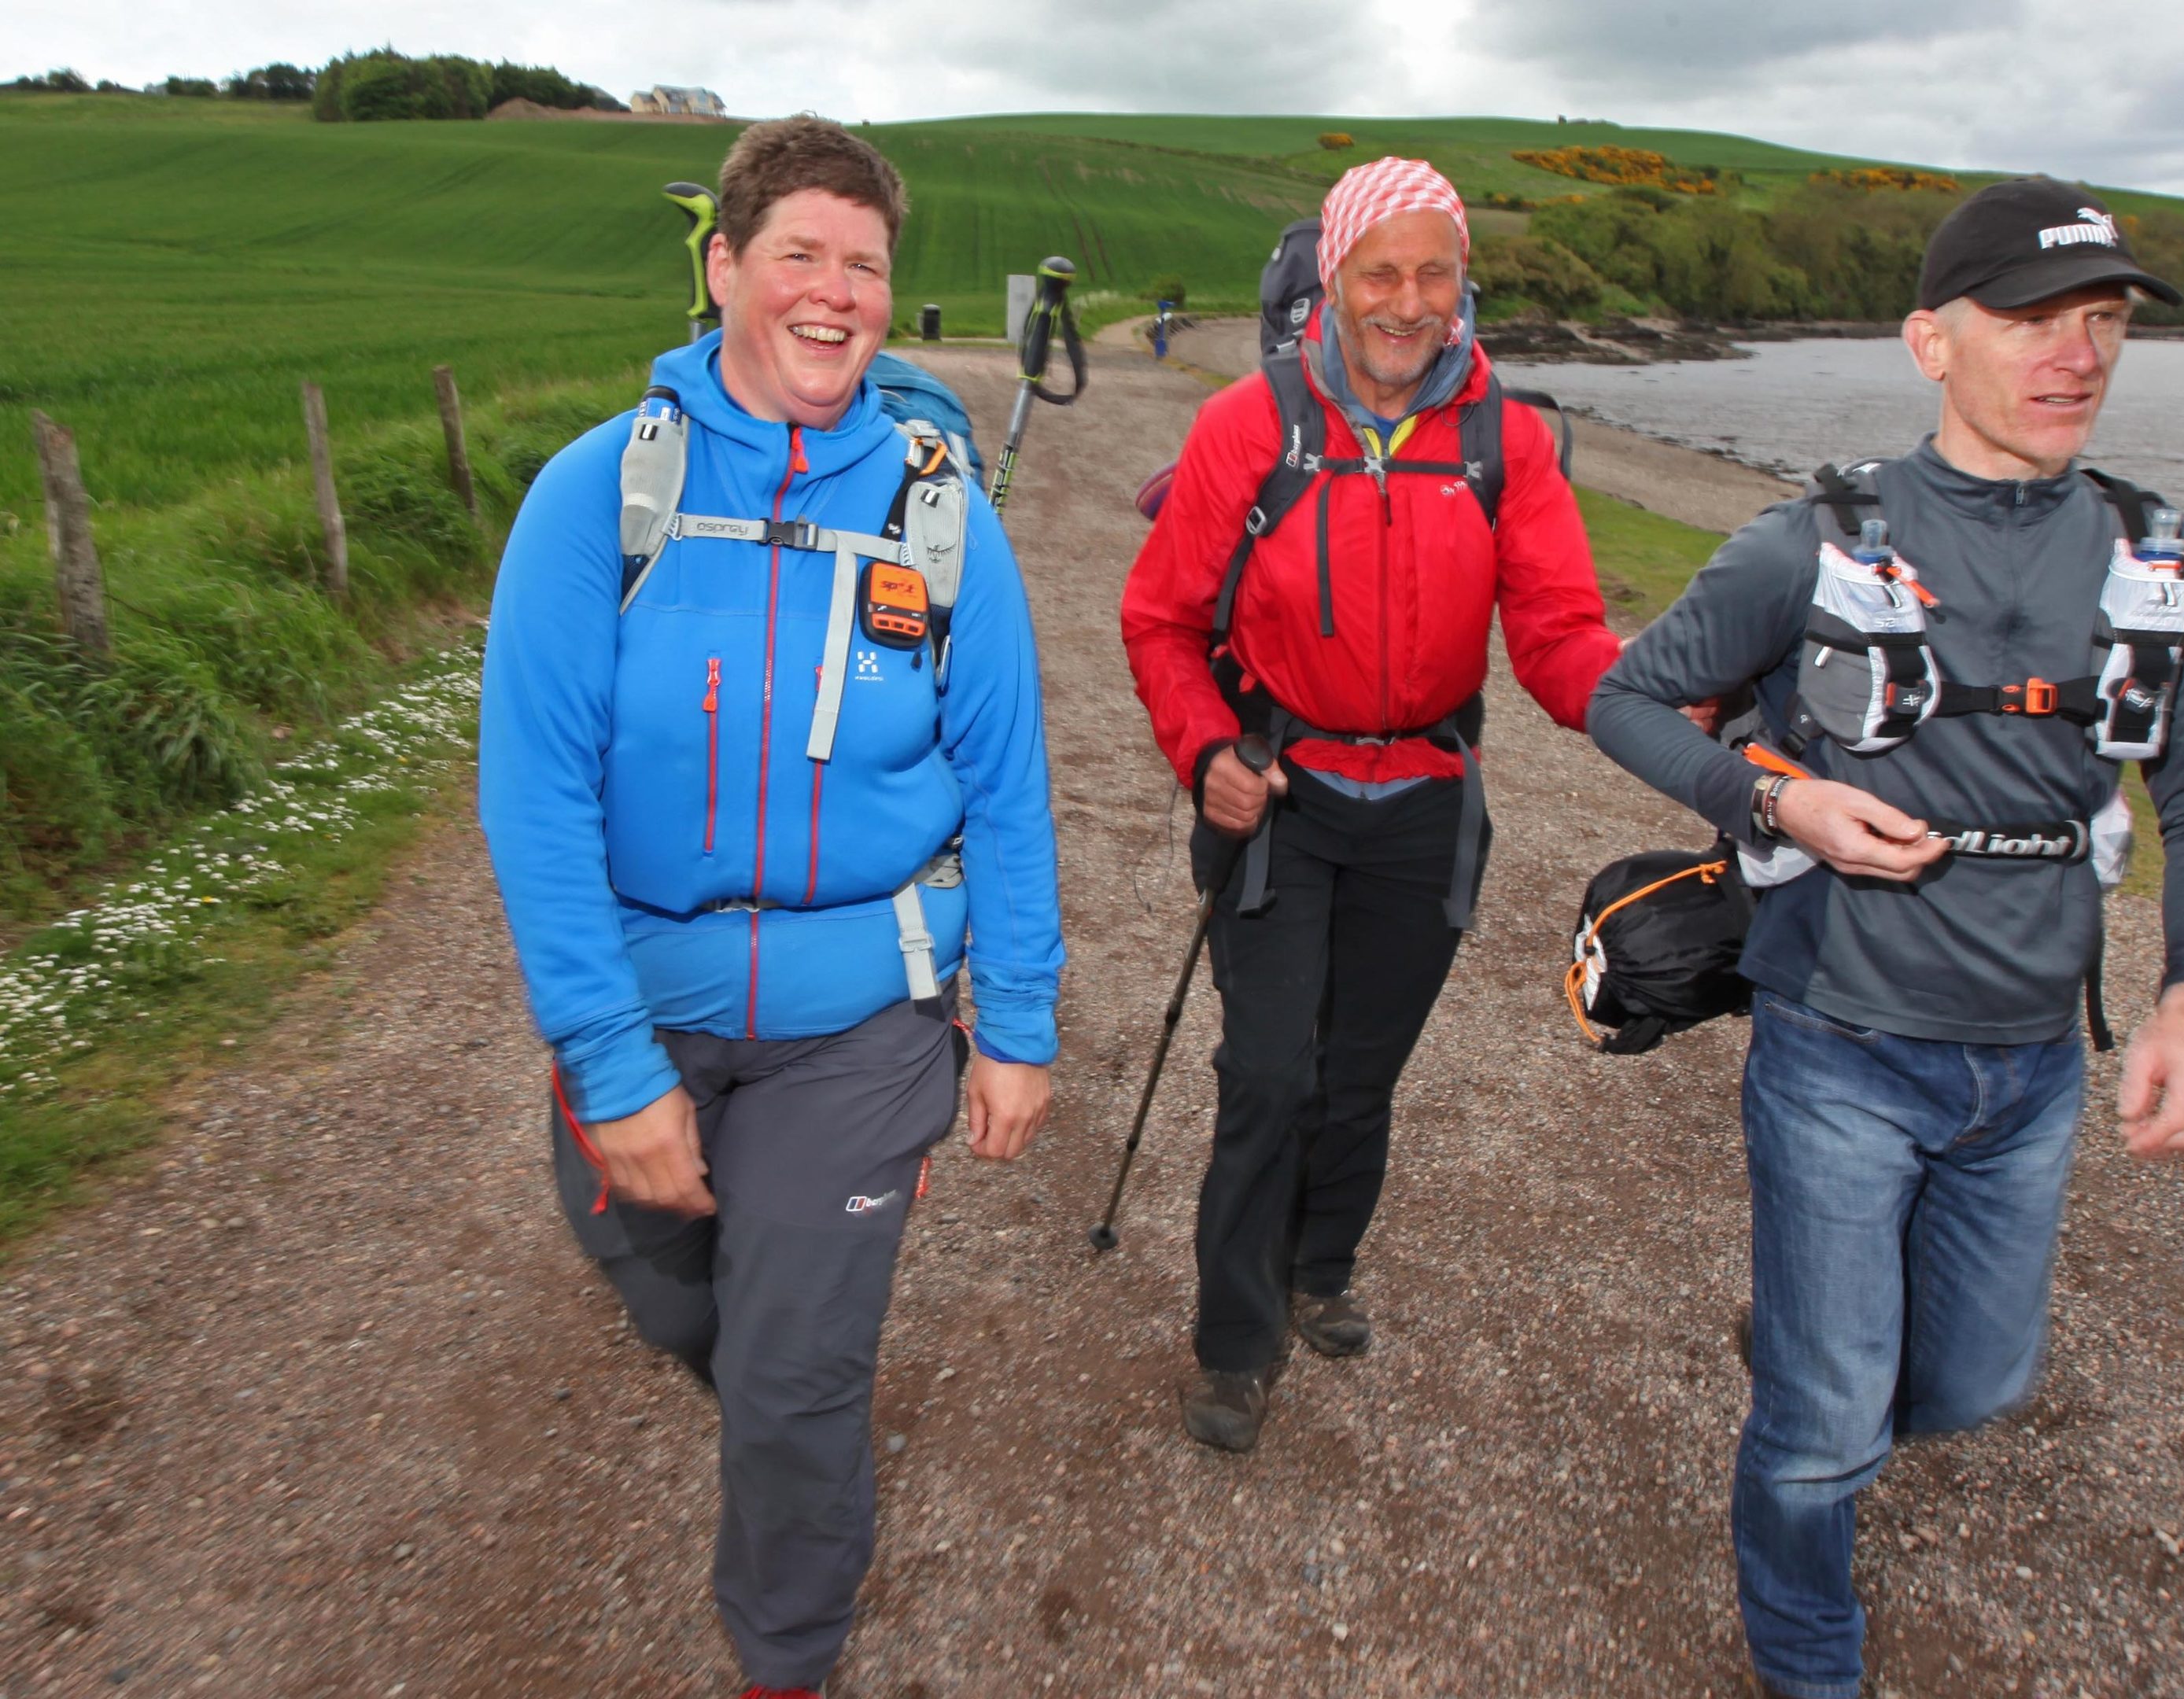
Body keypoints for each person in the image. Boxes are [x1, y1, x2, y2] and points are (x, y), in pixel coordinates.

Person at [1587, 178, 2184, 1699]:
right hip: (1841, 1045)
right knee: (1829, 1426)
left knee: (1971, 1387)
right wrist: (1780, 802)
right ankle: (1808, 1652)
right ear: (1927, 342)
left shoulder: (2163, 566)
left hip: (2034, 1071)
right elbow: (1621, 697)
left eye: (2100, 322)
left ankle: (1809, 1349)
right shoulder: (1808, 545)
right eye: (2031, 319)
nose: (2074, 353)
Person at [479, 116, 1062, 1697]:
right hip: (650, 1000)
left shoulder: (943, 517)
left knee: (798, 1371)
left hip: (862, 1021)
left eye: (865, 264)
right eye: (800, 252)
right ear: (725, 268)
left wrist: (1016, 1022)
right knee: (684, 1312)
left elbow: (1007, 785)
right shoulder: (596, 498)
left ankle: (784, 1657)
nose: (836, 291)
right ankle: (781, 1335)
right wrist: (610, 1064)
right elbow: (532, 797)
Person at [1120, 157, 1621, 1452]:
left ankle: (1318, 1265)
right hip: (1278, 790)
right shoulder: (1248, 425)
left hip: (1426, 799)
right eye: (1380, 273)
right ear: (1333, 281)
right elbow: (1162, 619)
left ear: (1464, 286)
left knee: (1362, 1073)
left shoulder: (1503, 439)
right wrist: (1205, 753)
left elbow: (1563, 636)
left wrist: (1678, 714)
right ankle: (1236, 1344)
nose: (1408, 301)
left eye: (1434, 273)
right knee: (1269, 1072)